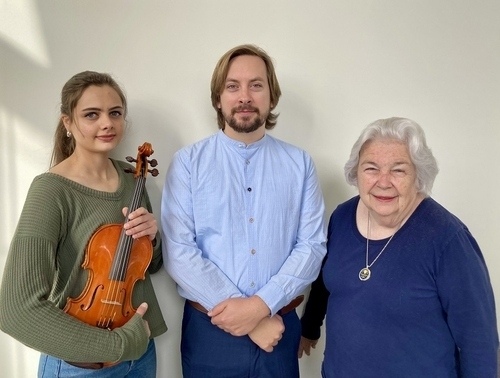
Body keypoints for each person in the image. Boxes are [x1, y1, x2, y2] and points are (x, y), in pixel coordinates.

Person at [161, 44, 327, 378]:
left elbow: (312, 245)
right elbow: (179, 250)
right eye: (233, 86)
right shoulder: (188, 163)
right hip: (209, 331)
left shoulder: (300, 164)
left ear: (271, 95)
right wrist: (249, 319)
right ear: (218, 98)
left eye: (256, 85)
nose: (244, 96)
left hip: (278, 327)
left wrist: (261, 306)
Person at [299, 117, 498, 377]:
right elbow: (327, 281)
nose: (383, 182)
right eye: (371, 168)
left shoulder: (448, 239)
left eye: (398, 170)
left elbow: (478, 341)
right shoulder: (342, 217)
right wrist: (309, 327)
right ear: (355, 172)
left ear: (419, 175)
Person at [0, 71, 167, 377]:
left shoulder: (134, 179)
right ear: (68, 123)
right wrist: (118, 345)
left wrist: (151, 238)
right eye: (92, 114)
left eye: (115, 113)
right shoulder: (50, 190)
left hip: (141, 355)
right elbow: (15, 310)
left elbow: (149, 267)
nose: (107, 123)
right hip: (81, 365)